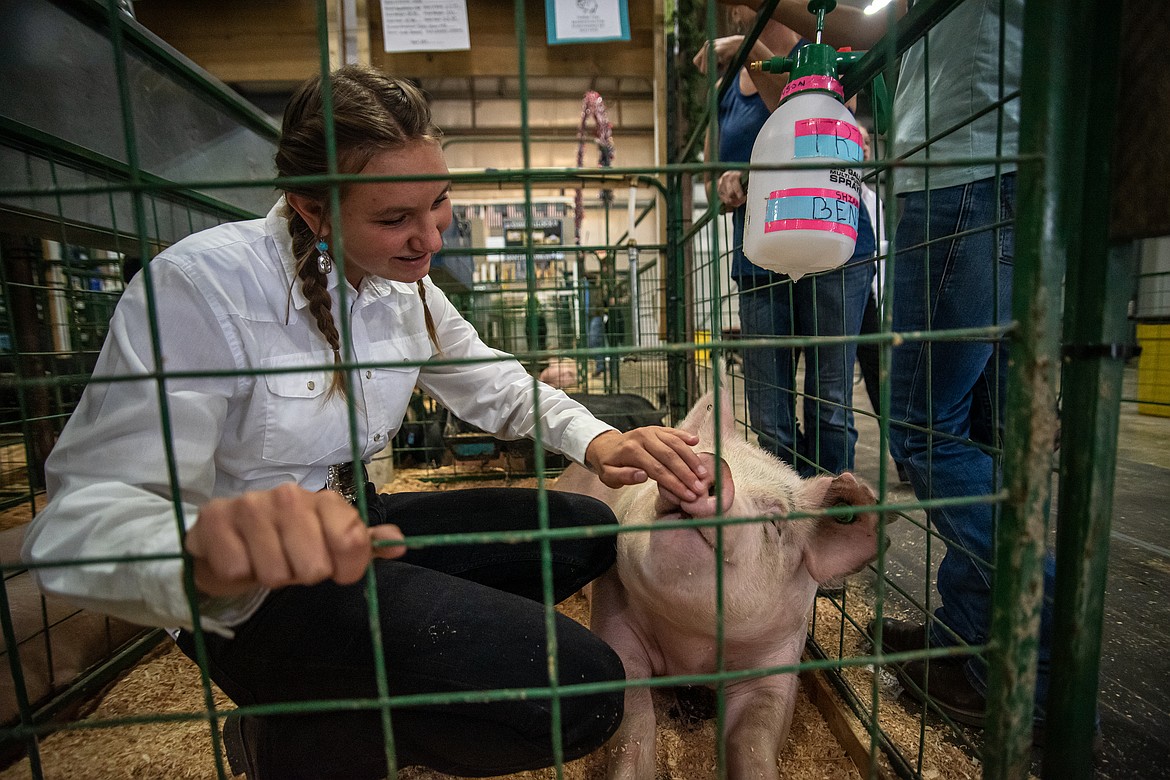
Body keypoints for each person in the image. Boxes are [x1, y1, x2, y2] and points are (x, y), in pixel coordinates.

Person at [20, 65, 711, 780]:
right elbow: (76, 519)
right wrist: (199, 546)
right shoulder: (199, 288)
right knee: (585, 696)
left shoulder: (400, 284)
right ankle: (302, 744)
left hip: (357, 524)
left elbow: (489, 378)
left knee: (583, 532)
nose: (430, 240)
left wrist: (599, 440)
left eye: (438, 204)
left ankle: (386, 674)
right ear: (313, 210)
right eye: (394, 219)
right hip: (256, 594)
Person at [733, 0, 1058, 735]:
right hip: (987, 167)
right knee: (984, 434)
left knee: (925, 434)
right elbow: (889, 29)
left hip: (966, 174)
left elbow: (883, 28)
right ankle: (977, 642)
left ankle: (1037, 657)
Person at [695, 5, 876, 478]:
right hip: (761, 254)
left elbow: (809, 114)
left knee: (831, 405)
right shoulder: (726, 89)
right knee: (770, 418)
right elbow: (710, 168)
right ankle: (787, 525)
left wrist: (752, 51)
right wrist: (723, 184)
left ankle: (835, 524)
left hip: (834, 246)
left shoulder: (823, 53)